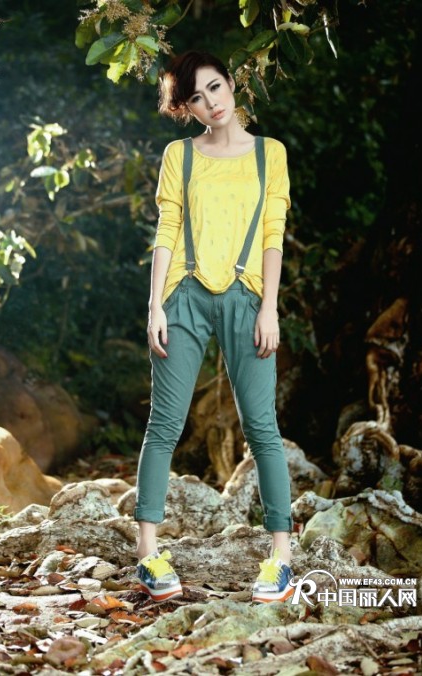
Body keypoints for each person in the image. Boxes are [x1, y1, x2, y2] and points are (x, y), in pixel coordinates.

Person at [134, 50, 294, 603]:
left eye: (215, 88)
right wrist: (155, 305)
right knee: (165, 424)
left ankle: (280, 557)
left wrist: (270, 307)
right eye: (196, 98)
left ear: (231, 83)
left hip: (248, 299)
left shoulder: (270, 154)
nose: (210, 103)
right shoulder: (179, 156)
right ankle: (148, 553)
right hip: (183, 297)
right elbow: (167, 228)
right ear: (187, 108)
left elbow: (273, 233)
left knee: (262, 427)